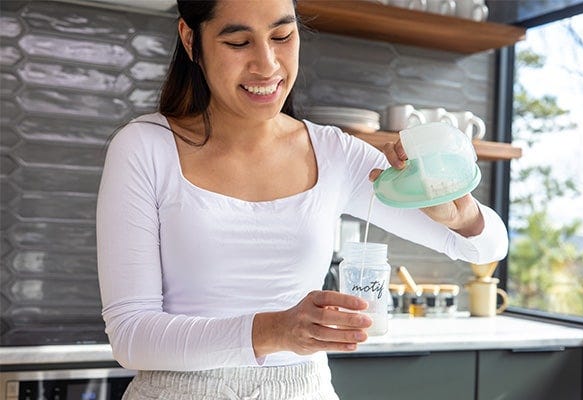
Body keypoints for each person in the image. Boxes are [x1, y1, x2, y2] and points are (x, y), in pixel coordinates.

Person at [96, 0, 508, 399]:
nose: (268, 64)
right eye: (238, 42)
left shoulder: (335, 153)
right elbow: (131, 337)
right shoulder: (145, 147)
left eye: (282, 35)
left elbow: (484, 248)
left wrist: (457, 209)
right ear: (190, 39)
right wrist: (276, 331)